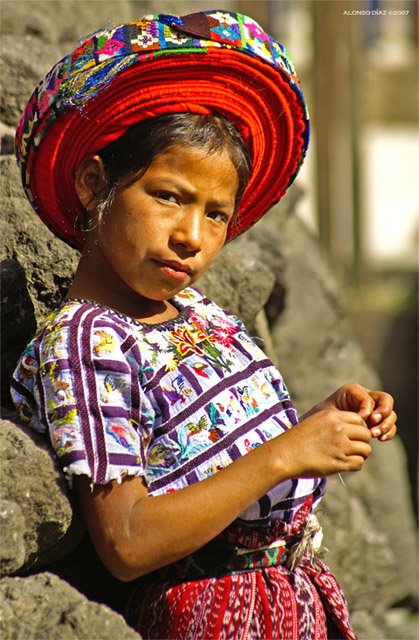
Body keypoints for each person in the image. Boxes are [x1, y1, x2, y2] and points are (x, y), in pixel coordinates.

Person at [11, 10, 397, 640]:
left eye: (217, 214)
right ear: (92, 184)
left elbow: (218, 456)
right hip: (212, 615)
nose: (192, 236)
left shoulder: (198, 312)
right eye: (168, 196)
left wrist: (325, 423)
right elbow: (128, 541)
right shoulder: (87, 342)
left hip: (288, 601)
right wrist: (284, 456)